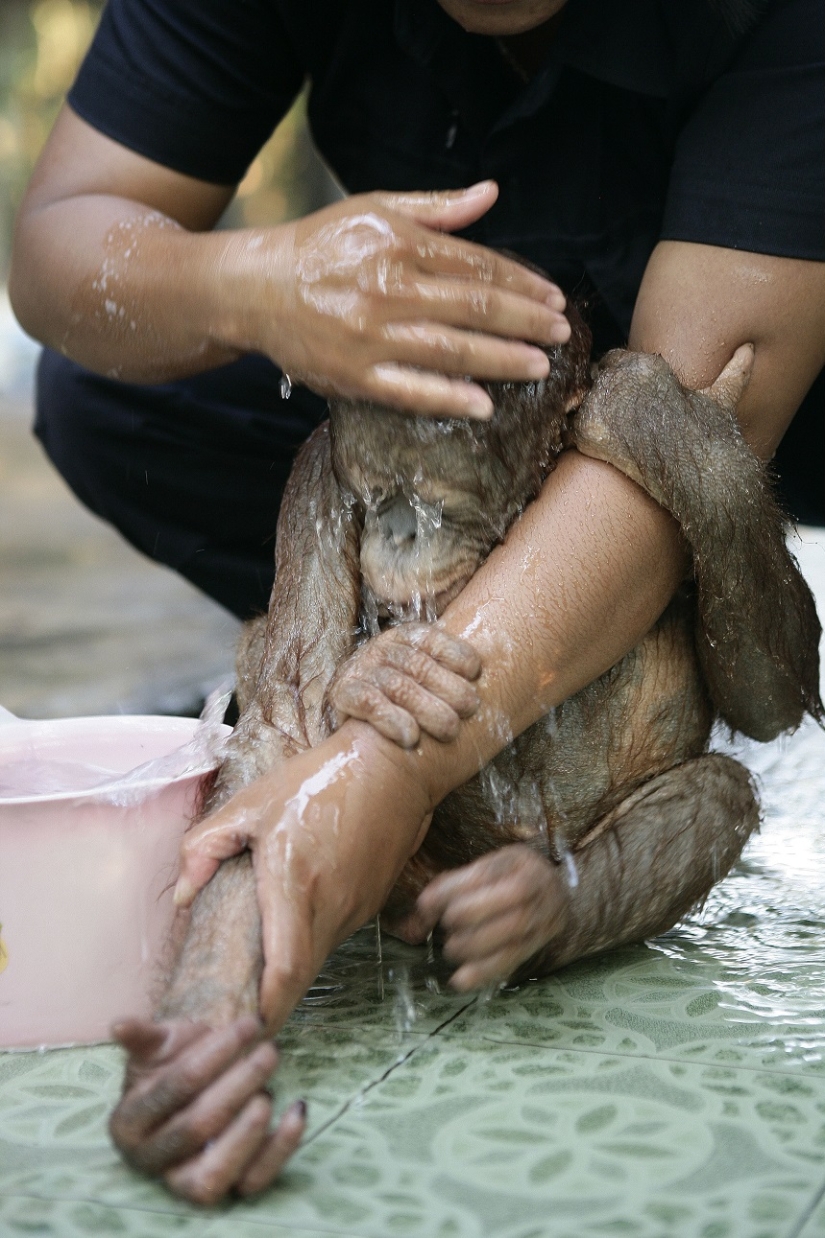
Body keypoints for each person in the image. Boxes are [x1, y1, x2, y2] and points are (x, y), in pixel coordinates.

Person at [10, 0, 824, 1205]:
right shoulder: (340, 475)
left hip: (711, 411)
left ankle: (520, 647)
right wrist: (255, 281)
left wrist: (398, 766)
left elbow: (749, 618)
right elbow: (61, 251)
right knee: (111, 408)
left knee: (674, 423)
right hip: (424, 424)